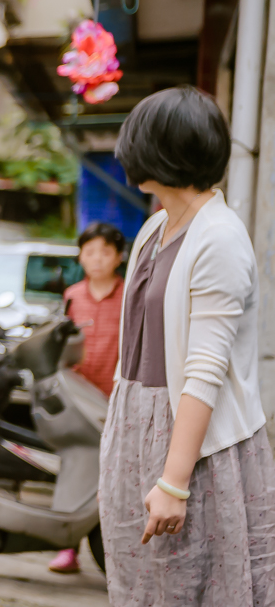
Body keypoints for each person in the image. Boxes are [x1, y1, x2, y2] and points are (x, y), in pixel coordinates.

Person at [99, 85, 275, 604]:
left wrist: (175, 481)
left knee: (191, 587)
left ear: (164, 150)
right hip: (135, 425)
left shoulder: (218, 236)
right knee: (140, 588)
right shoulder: (156, 226)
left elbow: (205, 368)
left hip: (193, 444)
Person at [47, 221, 124, 574]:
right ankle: (68, 547)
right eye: (90, 251)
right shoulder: (73, 295)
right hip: (78, 400)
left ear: (119, 257)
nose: (97, 259)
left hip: (115, 399)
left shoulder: (129, 295)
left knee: (113, 473)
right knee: (75, 465)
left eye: (105, 251)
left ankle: (113, 546)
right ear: (80, 255)